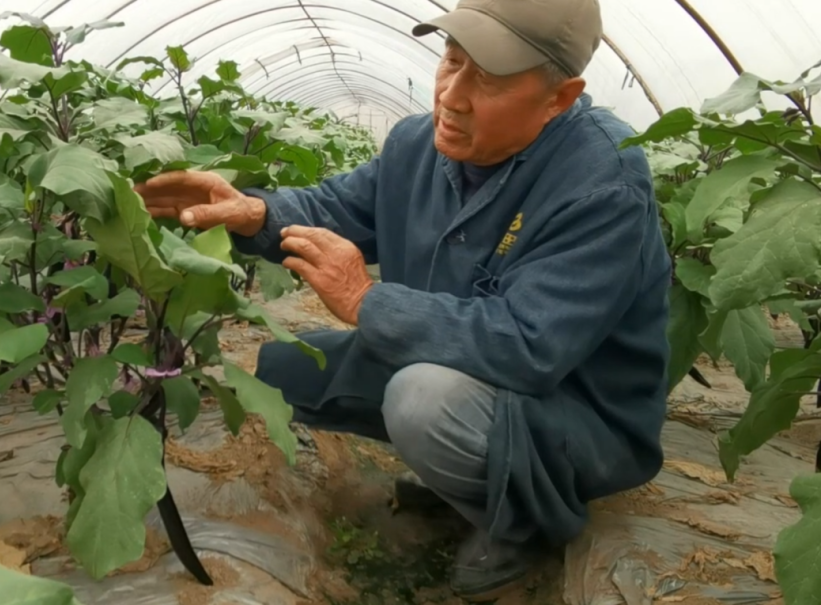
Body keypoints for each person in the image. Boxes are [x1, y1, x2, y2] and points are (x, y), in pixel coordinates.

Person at [135, 0, 671, 600]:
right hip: (455, 372)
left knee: (423, 402)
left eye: (488, 80)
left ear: (559, 98)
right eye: (452, 60)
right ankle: (468, 480)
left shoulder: (604, 180)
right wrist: (256, 211)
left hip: (576, 416)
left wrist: (367, 298)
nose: (453, 95)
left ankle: (523, 523)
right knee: (285, 368)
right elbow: (336, 207)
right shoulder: (420, 144)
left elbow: (529, 345)